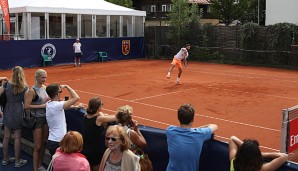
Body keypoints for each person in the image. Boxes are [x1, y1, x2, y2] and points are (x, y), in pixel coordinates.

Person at [166, 103, 218, 171]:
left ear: (178, 118)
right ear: (193, 119)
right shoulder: (200, 134)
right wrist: (195, 130)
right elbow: (214, 126)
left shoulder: (170, 131)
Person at [0, 66, 28, 167]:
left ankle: (5, 159)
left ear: (12, 73)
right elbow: (26, 103)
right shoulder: (25, 87)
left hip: (8, 110)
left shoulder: (7, 84)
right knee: (17, 138)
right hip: (19, 111)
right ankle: (17, 161)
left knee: (6, 137)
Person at [82, 96, 117, 171]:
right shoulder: (99, 119)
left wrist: (102, 114)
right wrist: (103, 115)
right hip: (94, 150)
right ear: (98, 107)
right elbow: (116, 117)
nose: (102, 106)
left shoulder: (85, 115)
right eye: (102, 104)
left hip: (85, 147)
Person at [24, 69, 49, 171]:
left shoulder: (45, 88)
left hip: (46, 119)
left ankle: (40, 165)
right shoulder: (32, 91)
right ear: (37, 77)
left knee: (44, 143)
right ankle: (35, 169)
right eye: (43, 77)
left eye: (45, 77)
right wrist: (41, 106)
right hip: (37, 119)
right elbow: (26, 106)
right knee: (37, 146)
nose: (44, 79)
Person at [46, 83, 80, 157]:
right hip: (58, 141)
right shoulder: (57, 105)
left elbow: (64, 107)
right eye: (60, 92)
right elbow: (76, 98)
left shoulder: (49, 103)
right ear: (57, 94)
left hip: (53, 140)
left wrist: (75, 107)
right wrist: (67, 87)